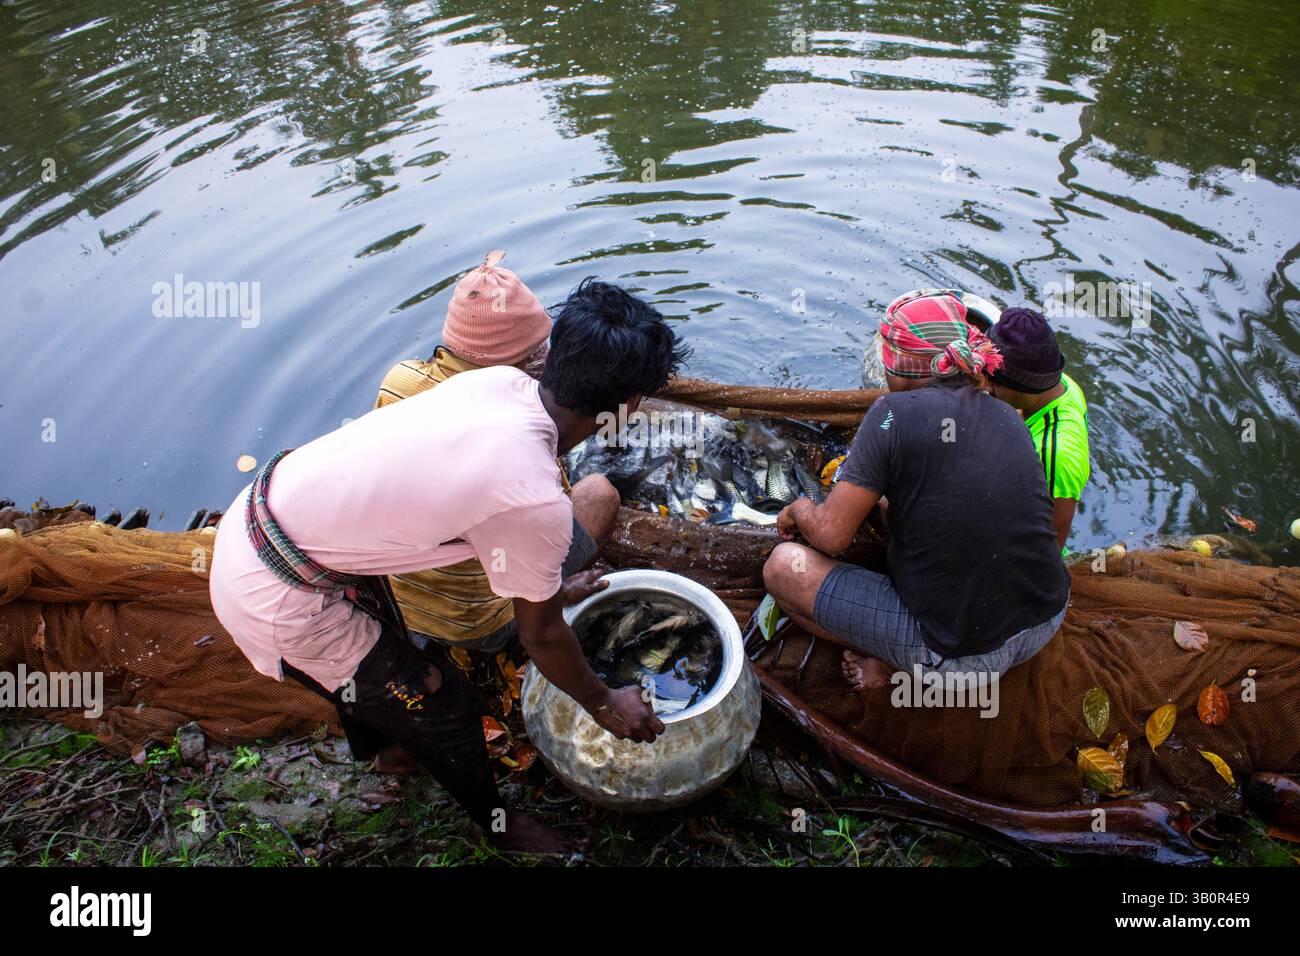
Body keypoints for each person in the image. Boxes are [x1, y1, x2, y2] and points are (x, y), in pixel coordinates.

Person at [210, 276, 689, 852]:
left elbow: (486, 527)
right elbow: (539, 636)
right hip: (277, 589)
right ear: (628, 406)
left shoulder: (499, 381)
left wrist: (548, 588)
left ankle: (387, 749)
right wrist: (605, 702)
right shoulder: (532, 494)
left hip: (268, 519)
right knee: (445, 701)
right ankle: (495, 826)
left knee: (380, 664)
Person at [761, 291, 1070, 693]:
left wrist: (800, 509)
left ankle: (895, 663)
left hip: (962, 661)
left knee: (784, 568)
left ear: (896, 365)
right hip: (1045, 620)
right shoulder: (1008, 414)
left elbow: (831, 537)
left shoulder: (889, 415)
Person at [373, 251, 618, 655]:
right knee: (598, 495)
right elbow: (541, 528)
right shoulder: (520, 427)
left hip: (390, 598)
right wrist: (552, 592)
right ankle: (535, 614)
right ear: (525, 363)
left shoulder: (398, 381)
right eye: (540, 352)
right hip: (476, 623)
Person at [985, 307, 1091, 552]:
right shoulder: (1062, 384)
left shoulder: (1056, 454)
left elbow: (1048, 543)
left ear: (1023, 389)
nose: (984, 384)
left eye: (992, 380)